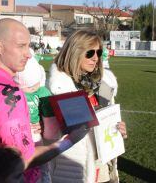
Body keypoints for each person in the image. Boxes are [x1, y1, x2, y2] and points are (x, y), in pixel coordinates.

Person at [0, 18, 88, 183]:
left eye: (28, 46)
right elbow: (24, 159)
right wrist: (70, 140)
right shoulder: (10, 92)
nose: (29, 54)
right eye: (21, 46)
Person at [48, 29, 127, 183]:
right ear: (75, 52)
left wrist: (119, 130)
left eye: (99, 52)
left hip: (103, 168)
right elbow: (48, 137)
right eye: (90, 53)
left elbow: (109, 123)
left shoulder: (104, 85)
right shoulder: (56, 88)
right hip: (72, 170)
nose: (96, 58)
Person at [14, 49, 53, 182]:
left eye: (34, 84)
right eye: (27, 87)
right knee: (24, 157)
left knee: (41, 154)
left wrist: (45, 123)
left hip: (36, 131)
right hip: (20, 131)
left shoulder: (42, 91)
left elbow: (50, 113)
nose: (31, 89)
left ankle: (45, 175)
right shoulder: (15, 93)